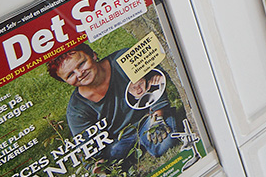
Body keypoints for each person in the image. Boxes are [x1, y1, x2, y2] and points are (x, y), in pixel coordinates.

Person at [47, 43, 182, 162]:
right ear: (65, 81)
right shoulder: (76, 109)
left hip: (149, 118)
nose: (79, 73)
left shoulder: (124, 59)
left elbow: (156, 80)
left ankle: (155, 133)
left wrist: (158, 117)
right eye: (70, 75)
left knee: (165, 143)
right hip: (119, 139)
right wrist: (97, 165)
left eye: (81, 64)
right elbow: (86, 145)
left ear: (93, 55)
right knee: (109, 159)